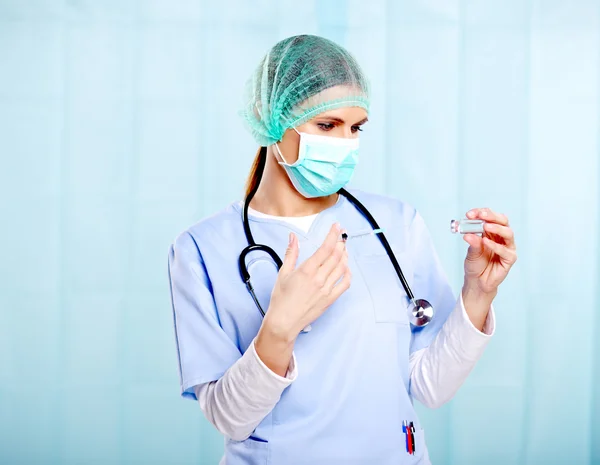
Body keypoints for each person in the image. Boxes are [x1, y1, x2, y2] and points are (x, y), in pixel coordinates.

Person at [167, 34, 517, 465]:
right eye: (327, 125)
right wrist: (279, 327)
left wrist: (479, 294)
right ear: (269, 118)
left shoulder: (394, 225)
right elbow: (230, 418)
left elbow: (431, 386)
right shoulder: (203, 249)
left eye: (356, 128)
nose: (344, 143)